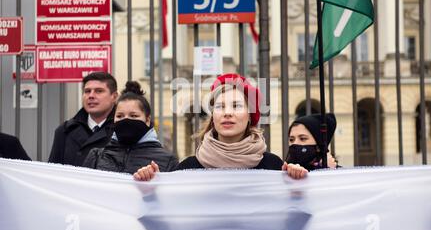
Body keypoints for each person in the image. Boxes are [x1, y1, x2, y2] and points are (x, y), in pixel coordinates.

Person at [133, 73, 308, 181]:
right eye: (220, 107)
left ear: (249, 116)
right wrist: (151, 186)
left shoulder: (273, 165)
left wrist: (297, 184)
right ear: (213, 117)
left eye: (236, 106)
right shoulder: (188, 168)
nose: (227, 113)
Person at [83, 81, 178, 174]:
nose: (126, 120)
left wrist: (157, 181)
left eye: (134, 116)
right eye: (120, 116)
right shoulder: (97, 156)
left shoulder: (167, 160)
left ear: (147, 120)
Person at [48, 72, 118, 166]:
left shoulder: (122, 130)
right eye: (87, 91)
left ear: (114, 96)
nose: (91, 96)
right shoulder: (65, 131)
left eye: (99, 91)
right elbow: (53, 171)